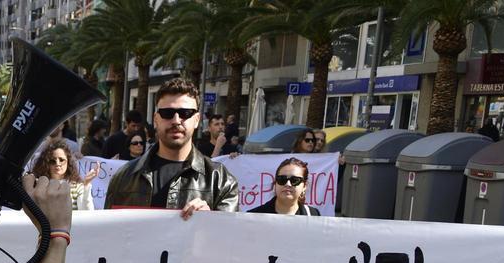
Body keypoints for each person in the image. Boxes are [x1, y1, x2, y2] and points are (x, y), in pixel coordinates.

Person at [104, 78, 240, 215]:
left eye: (185, 113)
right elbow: (109, 232)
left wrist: (210, 220)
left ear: (197, 120)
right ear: (156, 119)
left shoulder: (220, 180)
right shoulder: (124, 177)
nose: (176, 121)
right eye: (167, 113)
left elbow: (229, 234)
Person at [31, 138, 93, 210]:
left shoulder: (78, 187)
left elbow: (87, 212)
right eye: (52, 161)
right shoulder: (39, 186)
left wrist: (87, 185)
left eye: (61, 160)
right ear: (46, 164)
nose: (58, 164)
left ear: (68, 162)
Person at [248, 157, 321, 216]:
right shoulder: (253, 216)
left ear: (304, 186)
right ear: (275, 183)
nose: (288, 184)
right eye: (282, 179)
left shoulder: (313, 215)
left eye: (294, 180)